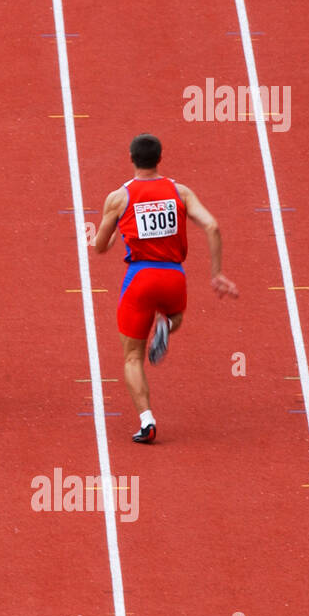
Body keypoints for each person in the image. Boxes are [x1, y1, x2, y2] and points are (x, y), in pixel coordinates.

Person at [93, 133, 238, 442]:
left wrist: (119, 231)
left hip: (141, 277)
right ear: (159, 159)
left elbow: (99, 247)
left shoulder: (119, 198)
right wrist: (217, 273)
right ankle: (166, 324)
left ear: (131, 158)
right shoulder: (180, 192)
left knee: (133, 357)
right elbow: (212, 226)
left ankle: (147, 421)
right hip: (174, 276)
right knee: (176, 318)